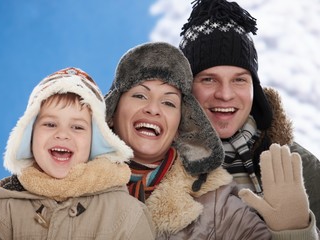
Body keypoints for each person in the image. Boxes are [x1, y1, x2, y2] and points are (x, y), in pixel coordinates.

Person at [105, 42, 318, 239]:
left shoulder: (215, 202)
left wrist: (294, 231)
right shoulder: (76, 173)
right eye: (140, 96)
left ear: (182, 124)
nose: (153, 108)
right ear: (112, 111)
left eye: (169, 102)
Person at [179, 0, 320, 230]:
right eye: (208, 79)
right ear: (186, 87)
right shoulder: (156, 162)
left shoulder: (298, 164)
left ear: (254, 87)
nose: (225, 94)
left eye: (239, 79)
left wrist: (297, 231)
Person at [0, 67, 155, 239]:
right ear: (29, 135)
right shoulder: (3, 216)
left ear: (96, 141)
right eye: (50, 124)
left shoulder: (126, 215)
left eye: (77, 127)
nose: (62, 134)